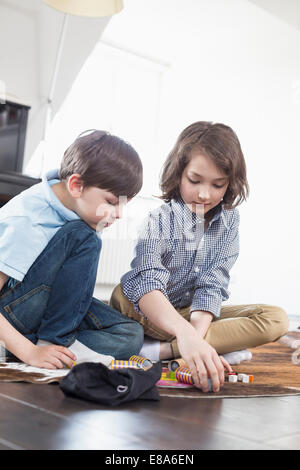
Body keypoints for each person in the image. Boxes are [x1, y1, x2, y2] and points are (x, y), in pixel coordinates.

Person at [110, 121, 289, 392]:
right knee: (146, 307)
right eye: (195, 181)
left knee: (276, 319)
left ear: (230, 184)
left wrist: (192, 336)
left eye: (218, 185)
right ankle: (197, 347)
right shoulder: (158, 220)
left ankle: (164, 352)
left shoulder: (230, 222)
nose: (204, 194)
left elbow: (212, 286)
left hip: (186, 315)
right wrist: (187, 336)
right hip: (144, 310)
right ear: (179, 174)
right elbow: (147, 284)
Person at [0, 130, 144, 369]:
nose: (119, 214)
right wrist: (30, 353)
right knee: (84, 237)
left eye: (123, 204)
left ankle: (53, 348)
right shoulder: (27, 219)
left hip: (37, 311)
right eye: (111, 201)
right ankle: (49, 344)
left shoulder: (70, 204)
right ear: (76, 185)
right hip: (12, 315)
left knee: (130, 334)